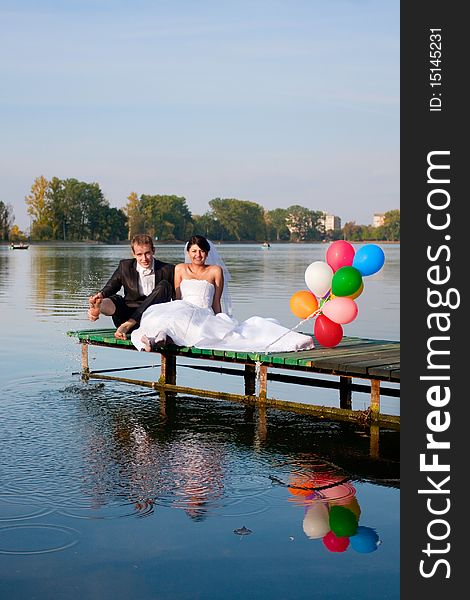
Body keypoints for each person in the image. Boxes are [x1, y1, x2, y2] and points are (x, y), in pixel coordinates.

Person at [130, 235, 314, 353]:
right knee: (171, 314)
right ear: (188, 252)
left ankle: (159, 339)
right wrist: (174, 308)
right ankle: (157, 339)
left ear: (207, 253)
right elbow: (177, 298)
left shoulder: (215, 271)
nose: (198, 255)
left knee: (190, 322)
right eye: (194, 251)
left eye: (202, 251)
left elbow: (216, 301)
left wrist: (220, 319)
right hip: (182, 307)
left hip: (203, 312)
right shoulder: (179, 269)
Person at [87, 233, 175, 340]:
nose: (144, 258)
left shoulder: (168, 270)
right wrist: (100, 295)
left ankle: (130, 323)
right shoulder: (125, 266)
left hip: (152, 320)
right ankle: (99, 307)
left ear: (153, 251)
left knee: (164, 286)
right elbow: (112, 286)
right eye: (139, 254)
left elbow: (177, 300)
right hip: (126, 317)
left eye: (147, 253)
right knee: (115, 298)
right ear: (133, 254)